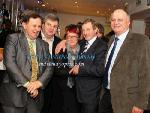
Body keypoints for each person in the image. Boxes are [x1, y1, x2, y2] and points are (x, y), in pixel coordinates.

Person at [0, 10, 53, 113]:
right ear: (24, 25)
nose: (37, 29)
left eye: (39, 26)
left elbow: (50, 67)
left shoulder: (44, 45)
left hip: (36, 98)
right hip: (14, 97)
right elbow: (10, 63)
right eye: (34, 26)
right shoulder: (13, 39)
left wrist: (38, 83)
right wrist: (29, 85)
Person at [99, 9, 150, 113]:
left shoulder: (141, 41)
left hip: (127, 100)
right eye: (113, 20)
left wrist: (140, 103)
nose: (116, 22)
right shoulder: (111, 40)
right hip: (106, 95)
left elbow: (146, 74)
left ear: (128, 22)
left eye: (120, 20)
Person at [68, 18, 107, 113]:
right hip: (77, 92)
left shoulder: (102, 46)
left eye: (88, 29)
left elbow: (100, 70)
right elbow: (70, 43)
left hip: (91, 95)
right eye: (83, 30)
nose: (85, 32)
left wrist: (80, 69)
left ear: (95, 30)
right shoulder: (82, 43)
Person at [50, 24, 80, 113]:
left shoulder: (82, 49)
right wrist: (73, 71)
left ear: (78, 37)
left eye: (74, 36)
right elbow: (58, 70)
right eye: (69, 36)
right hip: (63, 87)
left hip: (78, 88)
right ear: (66, 37)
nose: (71, 39)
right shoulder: (61, 49)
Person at [40, 13, 61, 113]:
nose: (51, 28)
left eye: (55, 26)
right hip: (35, 85)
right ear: (43, 25)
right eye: (49, 24)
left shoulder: (60, 43)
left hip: (53, 86)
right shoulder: (34, 38)